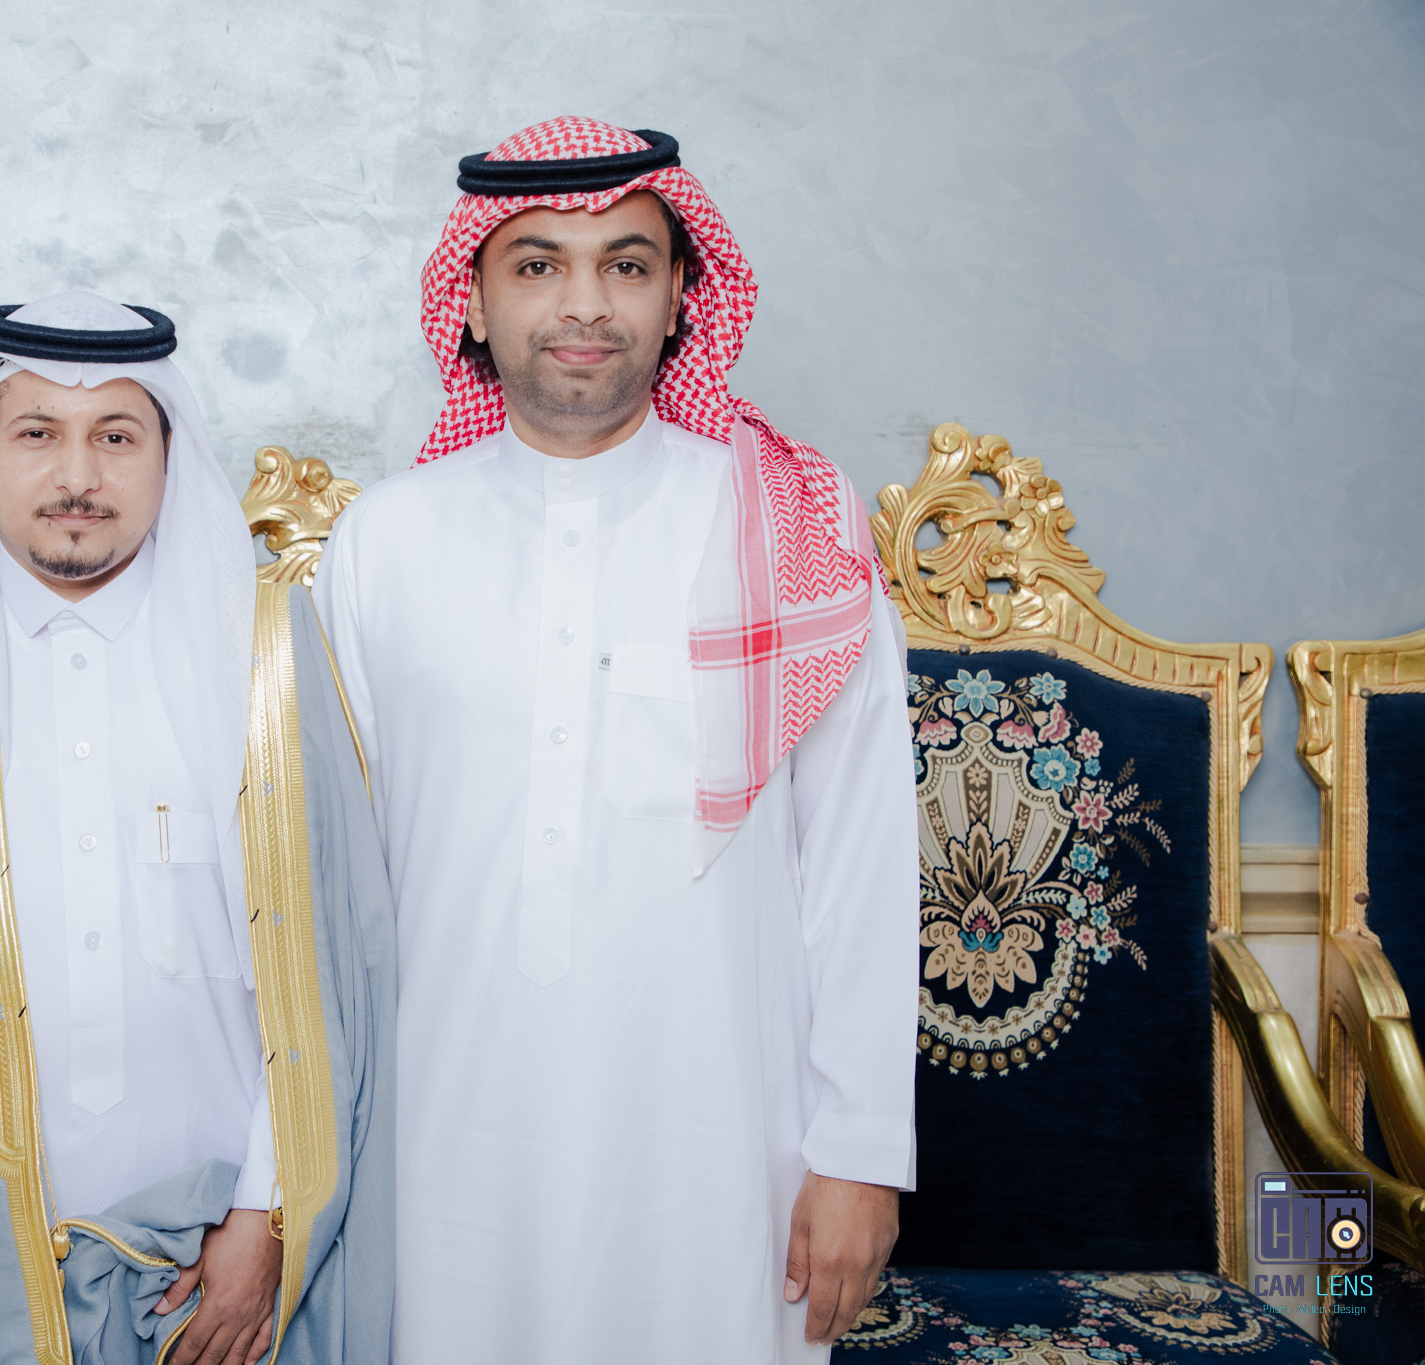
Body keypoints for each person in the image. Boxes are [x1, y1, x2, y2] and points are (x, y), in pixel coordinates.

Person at [314, 118, 916, 1362]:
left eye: (625, 264)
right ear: (470, 300)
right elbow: (328, 886)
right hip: (442, 1142)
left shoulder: (787, 529)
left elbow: (859, 864)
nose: (582, 304)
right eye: (536, 264)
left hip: (721, 1145)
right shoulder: (384, 541)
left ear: (682, 294)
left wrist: (861, 1154)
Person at [0, 291, 394, 1365]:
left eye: (117, 436)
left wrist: (269, 1217)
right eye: (37, 433)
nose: (78, 476)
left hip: (214, 1251)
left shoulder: (266, 652)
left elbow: (331, 968)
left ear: (169, 458)